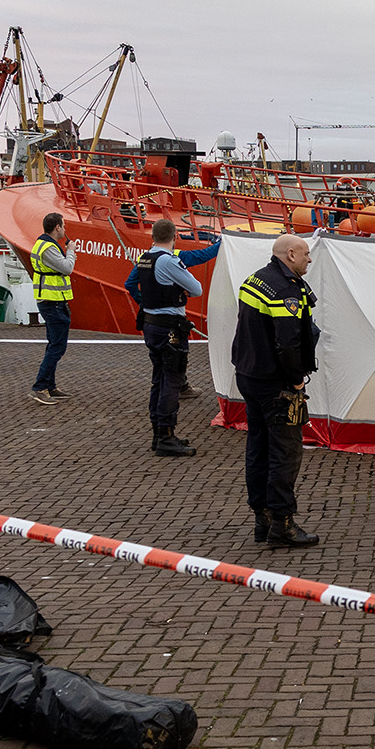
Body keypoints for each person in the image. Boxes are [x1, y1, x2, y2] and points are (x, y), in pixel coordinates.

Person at [232, 234, 320, 547]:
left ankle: (263, 518)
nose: (309, 259)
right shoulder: (285, 290)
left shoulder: (254, 280)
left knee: (258, 448)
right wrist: (296, 381)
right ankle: (282, 523)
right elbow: (288, 343)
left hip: (249, 374)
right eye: (306, 254)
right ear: (291, 254)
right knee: (285, 452)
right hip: (275, 383)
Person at [124, 220, 220, 458]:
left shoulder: (145, 258)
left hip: (150, 325)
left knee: (159, 379)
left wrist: (147, 302)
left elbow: (131, 284)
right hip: (170, 328)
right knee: (172, 381)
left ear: (153, 236)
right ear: (174, 236)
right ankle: (166, 436)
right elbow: (196, 288)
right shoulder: (169, 260)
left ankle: (159, 434)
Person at [28, 212, 75, 405]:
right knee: (57, 346)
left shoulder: (43, 244)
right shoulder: (48, 247)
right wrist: (71, 250)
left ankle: (50, 386)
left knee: (53, 344)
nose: (65, 229)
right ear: (57, 227)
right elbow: (67, 268)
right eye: (63, 225)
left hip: (52, 299)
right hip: (52, 300)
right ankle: (39, 387)